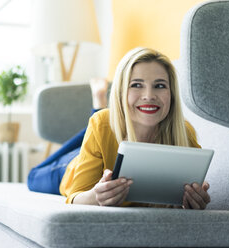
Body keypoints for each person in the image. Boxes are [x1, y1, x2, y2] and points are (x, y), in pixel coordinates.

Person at [29, 47, 211, 210]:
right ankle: (96, 111)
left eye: (160, 86)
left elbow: (193, 196)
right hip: (67, 169)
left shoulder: (184, 134)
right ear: (121, 92)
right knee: (33, 177)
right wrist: (96, 196)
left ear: (171, 94)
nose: (149, 95)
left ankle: (97, 112)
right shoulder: (102, 125)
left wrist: (194, 201)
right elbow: (75, 197)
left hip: (105, 127)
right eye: (137, 85)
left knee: (101, 121)